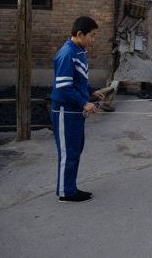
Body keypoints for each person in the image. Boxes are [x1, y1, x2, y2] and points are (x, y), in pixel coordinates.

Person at [51, 16, 105, 202]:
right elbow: (64, 86)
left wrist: (91, 92)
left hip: (74, 112)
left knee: (75, 150)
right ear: (79, 34)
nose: (93, 40)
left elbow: (79, 80)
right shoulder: (67, 54)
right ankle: (66, 193)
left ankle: (70, 187)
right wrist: (84, 103)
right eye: (92, 35)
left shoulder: (78, 51)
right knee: (68, 153)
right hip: (65, 111)